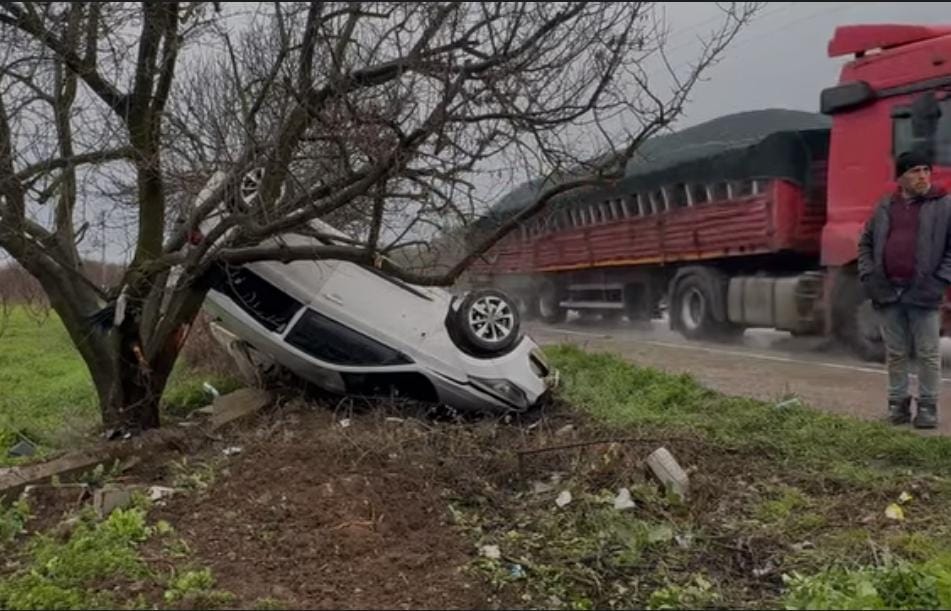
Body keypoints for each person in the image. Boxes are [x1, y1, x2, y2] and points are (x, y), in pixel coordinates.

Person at [857, 149, 951, 429]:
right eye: (915, 171)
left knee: (928, 353)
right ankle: (897, 405)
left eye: (925, 170)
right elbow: (865, 243)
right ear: (901, 177)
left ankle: (928, 407)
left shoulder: (944, 206)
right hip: (889, 292)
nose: (922, 176)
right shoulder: (885, 207)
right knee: (896, 353)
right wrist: (868, 274)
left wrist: (940, 280)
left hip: (924, 292)